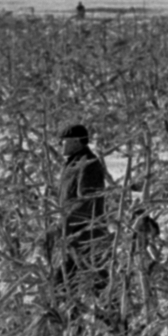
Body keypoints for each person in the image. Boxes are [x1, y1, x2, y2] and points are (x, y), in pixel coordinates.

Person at [56, 123, 110, 292]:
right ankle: (69, 317)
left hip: (87, 235)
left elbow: (88, 202)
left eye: (63, 141)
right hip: (73, 235)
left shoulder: (88, 164)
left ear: (77, 142)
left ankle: (114, 316)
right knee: (64, 283)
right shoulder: (73, 163)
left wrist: (63, 223)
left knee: (97, 282)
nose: (60, 145)